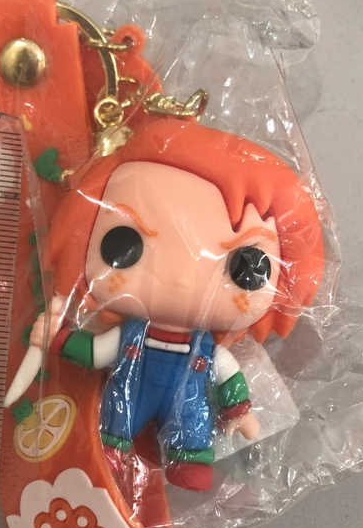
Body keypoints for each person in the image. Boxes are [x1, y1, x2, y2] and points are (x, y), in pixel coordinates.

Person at [29, 117, 324, 491]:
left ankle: (190, 457)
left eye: (246, 267)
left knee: (193, 419)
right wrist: (58, 338)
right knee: (119, 414)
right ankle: (112, 450)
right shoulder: (129, 333)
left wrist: (238, 411)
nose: (183, 279)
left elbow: (228, 376)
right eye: (124, 245)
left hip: (187, 399)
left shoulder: (208, 347)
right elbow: (95, 352)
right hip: (131, 394)